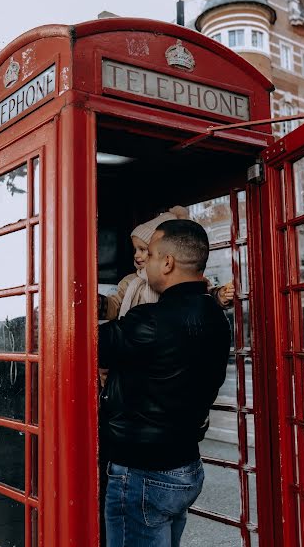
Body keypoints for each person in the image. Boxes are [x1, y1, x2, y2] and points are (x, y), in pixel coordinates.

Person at [99, 219, 231, 547]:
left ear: (168, 262)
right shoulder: (217, 318)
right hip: (185, 465)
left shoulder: (151, 321)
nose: (146, 262)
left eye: (152, 255)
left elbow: (79, 341)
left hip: (142, 474)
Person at [98, 206, 234, 323]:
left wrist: (220, 295)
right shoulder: (130, 281)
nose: (136, 255)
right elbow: (115, 305)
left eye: (144, 250)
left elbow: (203, 298)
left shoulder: (186, 281)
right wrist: (97, 304)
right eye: (135, 249)